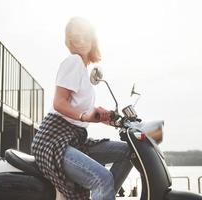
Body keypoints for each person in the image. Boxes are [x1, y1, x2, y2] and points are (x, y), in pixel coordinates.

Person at [31, 17, 132, 200]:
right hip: (53, 140)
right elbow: (59, 103)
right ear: (70, 42)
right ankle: (103, 191)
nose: (81, 41)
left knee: (128, 151)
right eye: (75, 38)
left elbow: (79, 106)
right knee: (102, 179)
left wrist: (103, 116)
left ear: (93, 39)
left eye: (85, 36)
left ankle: (103, 195)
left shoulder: (84, 71)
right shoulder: (74, 61)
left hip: (74, 139)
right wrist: (85, 116)